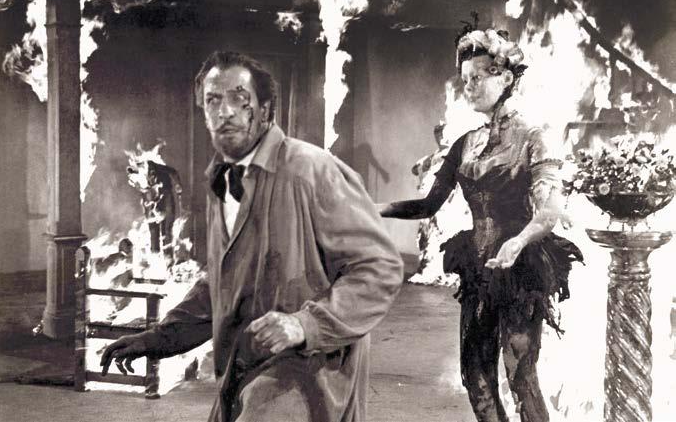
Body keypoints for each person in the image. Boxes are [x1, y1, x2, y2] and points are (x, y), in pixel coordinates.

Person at [100, 51, 404, 421]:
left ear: (264, 110)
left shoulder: (310, 169)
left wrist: (303, 324)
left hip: (309, 372)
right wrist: (158, 338)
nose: (225, 111)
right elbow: (223, 287)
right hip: (243, 367)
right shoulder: (222, 183)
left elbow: (380, 268)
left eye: (238, 98)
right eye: (213, 100)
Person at [379, 27, 583, 422]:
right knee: (475, 377)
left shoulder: (533, 138)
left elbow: (549, 209)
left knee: (520, 377)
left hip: (521, 269)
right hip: (479, 268)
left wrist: (518, 242)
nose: (468, 87)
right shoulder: (465, 144)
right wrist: (376, 208)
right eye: (465, 79)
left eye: (477, 77)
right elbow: (428, 204)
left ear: (504, 78)